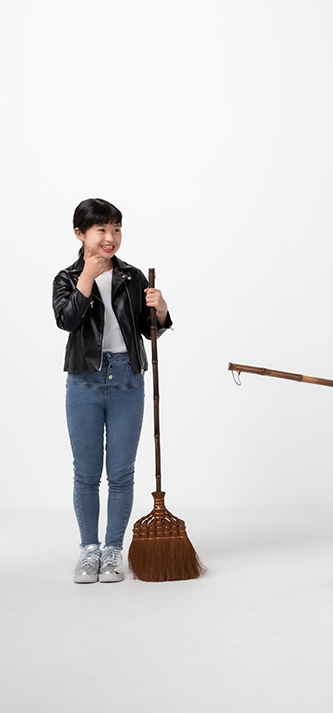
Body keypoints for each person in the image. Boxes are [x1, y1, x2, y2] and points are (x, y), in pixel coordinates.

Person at [53, 199, 172, 583]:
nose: (110, 237)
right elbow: (67, 320)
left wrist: (160, 309)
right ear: (80, 234)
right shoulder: (67, 277)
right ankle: (89, 550)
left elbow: (149, 330)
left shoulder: (132, 276)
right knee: (86, 473)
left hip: (127, 380)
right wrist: (87, 276)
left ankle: (113, 550)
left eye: (116, 229)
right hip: (84, 381)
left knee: (121, 473)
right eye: (101, 229)